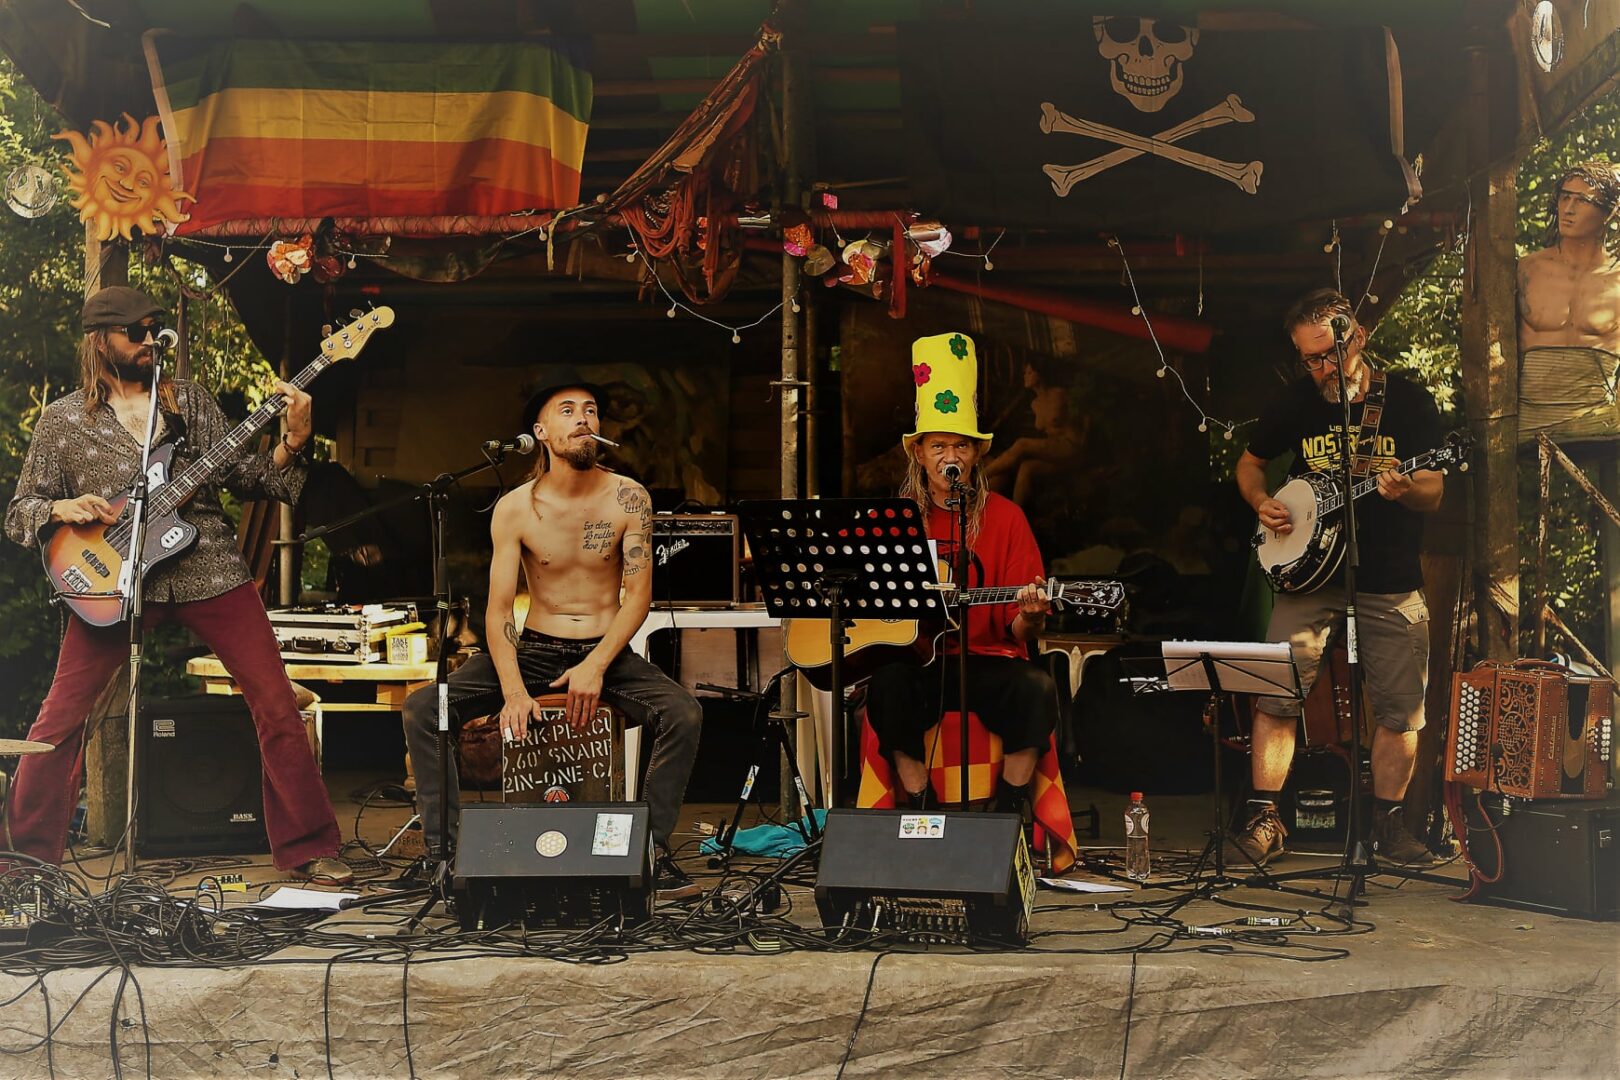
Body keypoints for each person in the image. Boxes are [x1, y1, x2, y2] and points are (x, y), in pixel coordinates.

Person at [3, 286, 350, 882]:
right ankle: (24, 863)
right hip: (111, 584)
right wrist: (62, 508)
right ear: (100, 341)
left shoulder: (188, 401)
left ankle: (310, 847)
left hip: (209, 569)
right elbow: (18, 513)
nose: (148, 340)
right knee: (58, 720)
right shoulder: (63, 420)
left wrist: (294, 440)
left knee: (276, 705)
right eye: (134, 332)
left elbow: (255, 477)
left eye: (154, 328)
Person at [401, 378, 703, 899]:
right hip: (535, 649)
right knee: (425, 708)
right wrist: (514, 691)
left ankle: (649, 852)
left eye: (591, 410)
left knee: (684, 714)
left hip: (606, 651)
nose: (583, 418)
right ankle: (442, 856)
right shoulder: (516, 507)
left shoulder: (629, 497)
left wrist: (596, 665)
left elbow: (637, 597)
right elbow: (499, 610)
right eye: (567, 410)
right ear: (540, 433)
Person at [1232, 288, 1445, 866]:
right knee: (1278, 692)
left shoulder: (1409, 402)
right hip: (1307, 573)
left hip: (1389, 573)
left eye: (1331, 353)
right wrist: (1261, 502)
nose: (1323, 368)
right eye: (1310, 359)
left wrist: (1405, 488)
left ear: (1359, 337)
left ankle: (1387, 828)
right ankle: (1266, 818)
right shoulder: (1294, 402)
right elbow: (1250, 464)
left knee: (1401, 706)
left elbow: (1434, 490)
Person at [863, 332, 1058, 818]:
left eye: (961, 446)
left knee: (1036, 689)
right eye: (938, 445)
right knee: (887, 685)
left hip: (988, 660)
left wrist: (1032, 616)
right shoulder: (897, 520)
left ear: (976, 454)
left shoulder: (1007, 517)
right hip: (920, 662)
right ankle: (921, 804)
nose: (950, 456)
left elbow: (1020, 629)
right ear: (918, 453)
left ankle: (1008, 811)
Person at [1518, 160, 1620, 353]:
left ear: (1608, 213)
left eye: (1581, 201)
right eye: (1565, 198)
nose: (1568, 209)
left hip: (1598, 373)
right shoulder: (1528, 269)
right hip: (1535, 372)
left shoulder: (1616, 278)